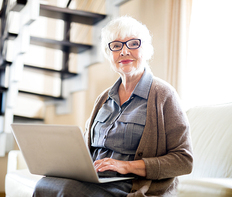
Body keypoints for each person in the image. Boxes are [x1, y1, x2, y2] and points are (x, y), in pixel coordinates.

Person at [33, 16, 193, 197]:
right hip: (96, 180)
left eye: (133, 43)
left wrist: (127, 166)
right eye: (116, 46)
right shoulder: (104, 98)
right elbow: (87, 151)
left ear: (146, 50)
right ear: (109, 55)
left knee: (68, 191)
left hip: (130, 185)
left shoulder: (164, 95)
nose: (124, 51)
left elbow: (184, 160)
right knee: (45, 184)